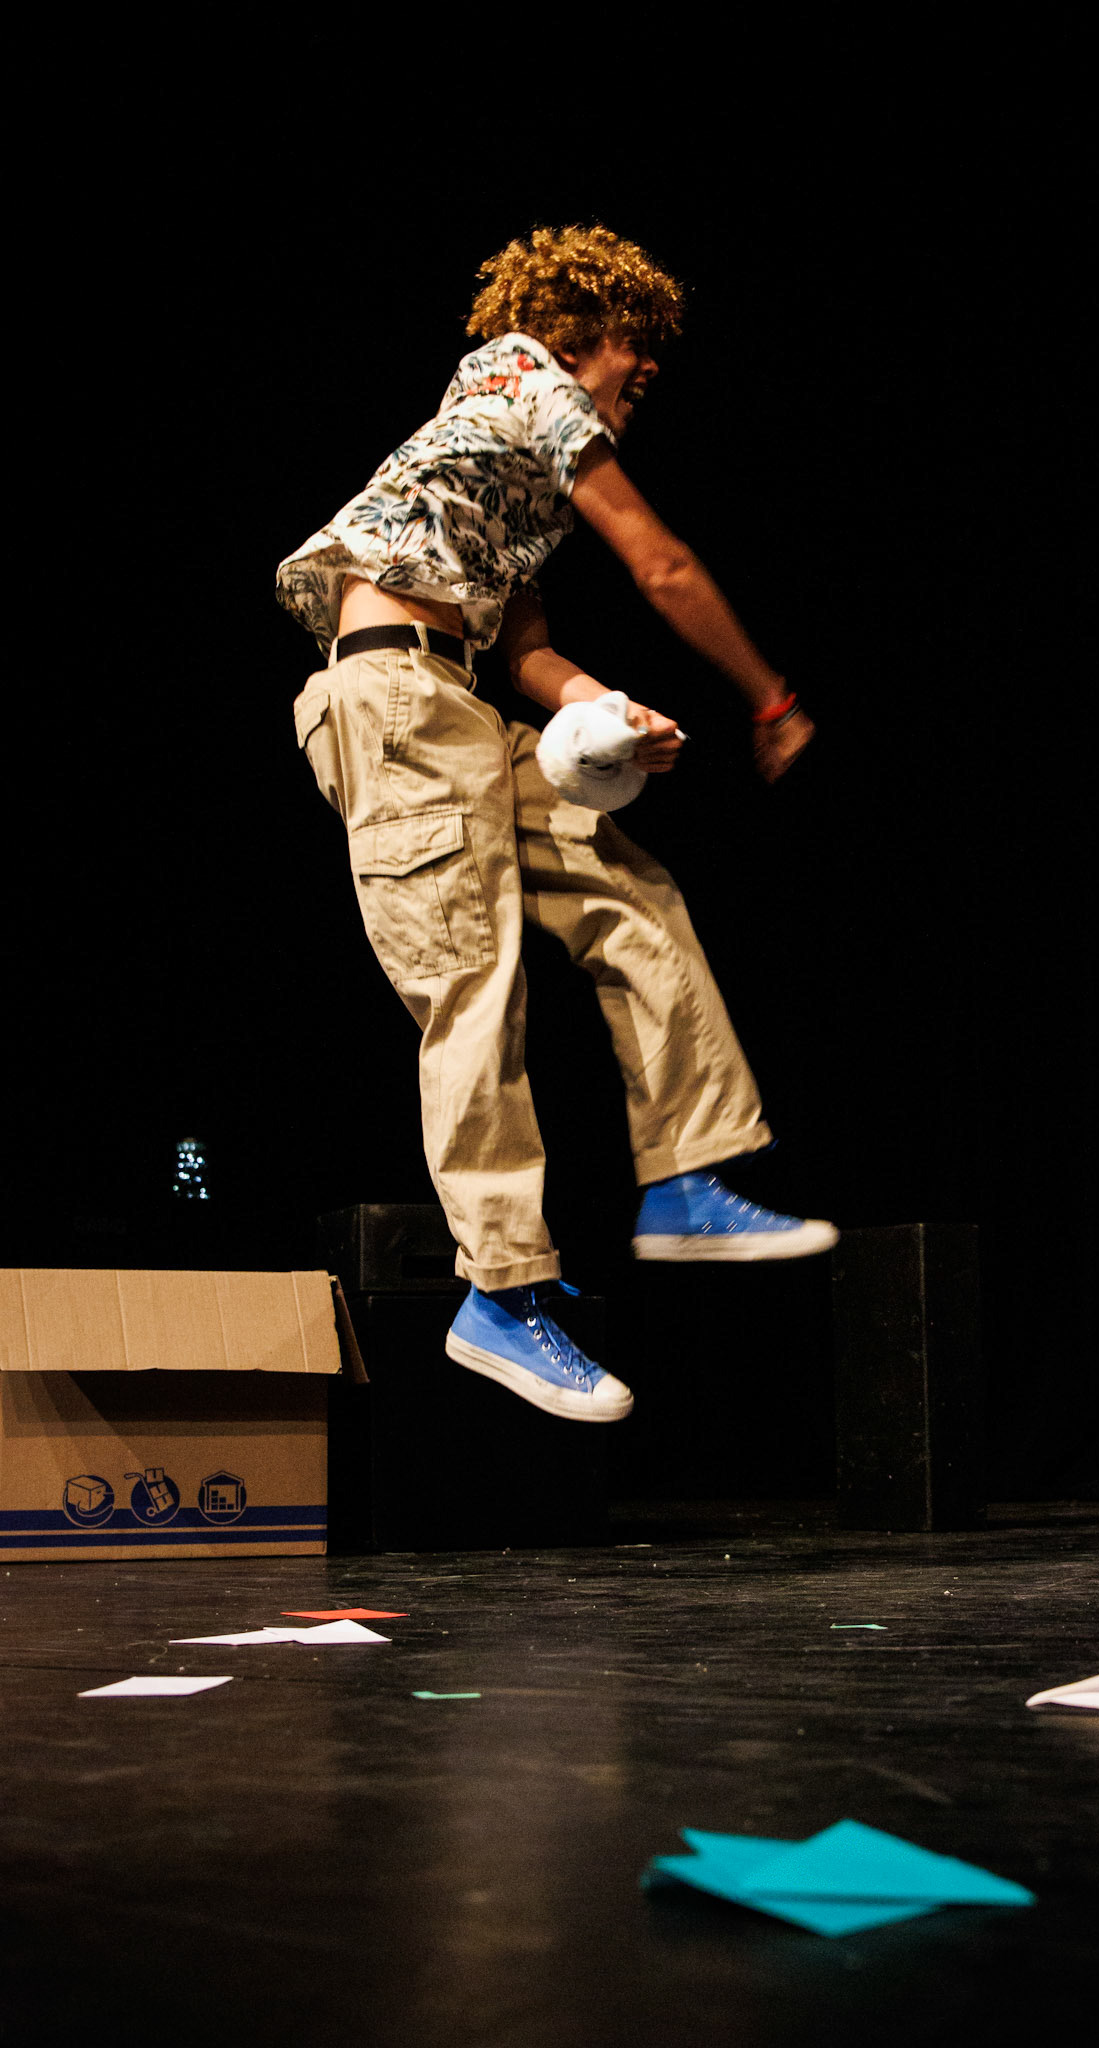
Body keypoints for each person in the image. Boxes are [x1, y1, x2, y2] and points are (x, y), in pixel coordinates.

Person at [277, 224, 836, 1425]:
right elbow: (663, 564)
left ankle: (686, 1178)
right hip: (395, 705)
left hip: (457, 704)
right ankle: (499, 1289)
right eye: (639, 342)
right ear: (584, 331)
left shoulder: (502, 469)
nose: (651, 368)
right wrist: (769, 698)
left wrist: (613, 711)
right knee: (471, 983)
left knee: (626, 883)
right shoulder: (525, 376)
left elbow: (528, 654)